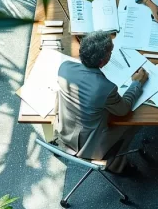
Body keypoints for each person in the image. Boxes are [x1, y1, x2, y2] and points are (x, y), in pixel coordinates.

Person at [56, 31, 148, 173]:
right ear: (102, 61)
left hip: (64, 132)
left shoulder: (65, 67)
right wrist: (136, 83)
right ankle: (117, 165)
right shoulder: (105, 88)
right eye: (110, 52)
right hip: (89, 146)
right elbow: (123, 109)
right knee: (135, 123)